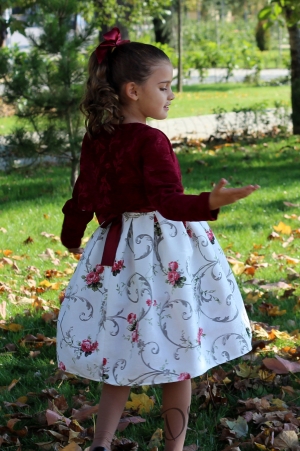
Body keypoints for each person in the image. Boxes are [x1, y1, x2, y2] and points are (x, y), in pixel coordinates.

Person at [56, 27, 259, 451]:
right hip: (162, 256)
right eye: (164, 87)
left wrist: (72, 236)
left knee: (120, 352)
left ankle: (102, 444)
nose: (170, 95)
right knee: (177, 355)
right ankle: (174, 448)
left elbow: (83, 196)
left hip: (115, 257)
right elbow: (168, 203)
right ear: (132, 90)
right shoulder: (152, 139)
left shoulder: (96, 137)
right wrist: (209, 201)